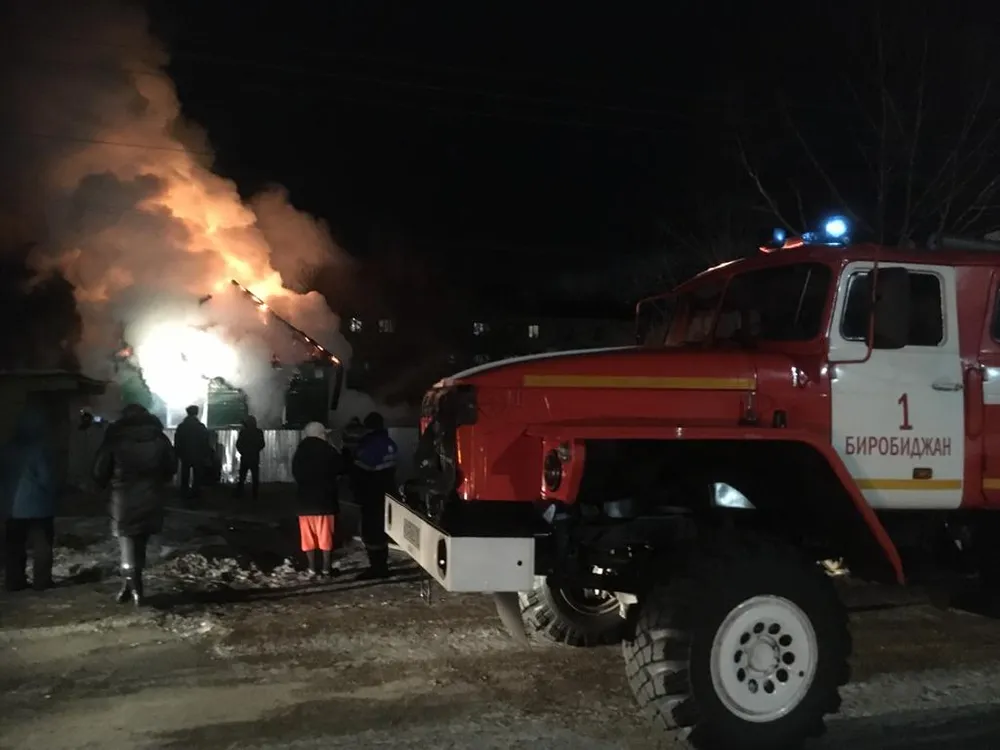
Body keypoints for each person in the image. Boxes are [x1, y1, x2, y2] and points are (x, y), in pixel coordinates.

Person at [92, 403, 177, 606]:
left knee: (127, 542)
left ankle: (135, 589)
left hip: (124, 498)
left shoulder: (115, 439)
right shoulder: (159, 438)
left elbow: (99, 470)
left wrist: (103, 484)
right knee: (140, 543)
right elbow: (172, 466)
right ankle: (131, 585)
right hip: (151, 495)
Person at [2, 406, 57, 592]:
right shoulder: (39, 449)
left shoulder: (7, 448)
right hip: (39, 507)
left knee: (14, 547)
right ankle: (41, 582)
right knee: (42, 546)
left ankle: (14, 582)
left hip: (11, 507)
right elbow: (46, 478)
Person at [350, 411, 398, 581]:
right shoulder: (390, 442)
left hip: (371, 494)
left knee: (371, 532)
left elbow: (360, 469)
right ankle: (382, 565)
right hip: (388, 493)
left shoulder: (369, 445)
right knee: (382, 531)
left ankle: (376, 567)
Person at [291, 421, 343, 577]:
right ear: (321, 434)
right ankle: (326, 568)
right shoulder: (328, 450)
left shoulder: (300, 451)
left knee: (308, 538)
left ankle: (312, 568)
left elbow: (296, 473)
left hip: (304, 502)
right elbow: (341, 467)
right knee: (325, 536)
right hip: (325, 502)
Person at [174, 405, 211, 500]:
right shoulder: (200, 427)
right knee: (197, 475)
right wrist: (206, 453)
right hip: (198, 455)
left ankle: (184, 493)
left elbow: (177, 440)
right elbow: (205, 441)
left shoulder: (182, 426)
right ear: (196, 413)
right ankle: (195, 493)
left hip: (185, 454)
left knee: (185, 474)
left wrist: (177, 452)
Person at [234, 415, 265, 501]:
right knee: (255, 477)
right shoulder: (258, 432)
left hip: (245, 457)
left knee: (242, 476)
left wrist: (243, 452)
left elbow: (238, 444)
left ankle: (239, 493)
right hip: (254, 457)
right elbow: (262, 444)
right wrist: (255, 450)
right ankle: (255, 495)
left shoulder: (243, 432)